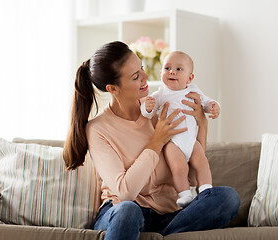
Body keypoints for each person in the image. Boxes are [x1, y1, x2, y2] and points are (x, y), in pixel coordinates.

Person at [62, 41, 240, 240]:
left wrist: (203, 125)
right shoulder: (98, 129)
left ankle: (162, 236)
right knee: (128, 210)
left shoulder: (162, 107)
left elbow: (190, 179)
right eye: (136, 76)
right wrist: (156, 142)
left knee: (227, 198)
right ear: (113, 88)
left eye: (142, 68)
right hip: (122, 213)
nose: (147, 77)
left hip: (171, 215)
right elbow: (125, 192)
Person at [141, 51, 220, 207]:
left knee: (202, 162)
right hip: (173, 142)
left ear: (190, 78)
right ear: (160, 73)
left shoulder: (194, 91)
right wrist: (148, 107)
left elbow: (207, 103)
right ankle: (185, 195)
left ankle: (206, 190)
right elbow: (147, 114)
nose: (172, 72)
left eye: (179, 69)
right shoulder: (160, 94)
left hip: (191, 140)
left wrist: (214, 107)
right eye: (167, 68)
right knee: (178, 167)